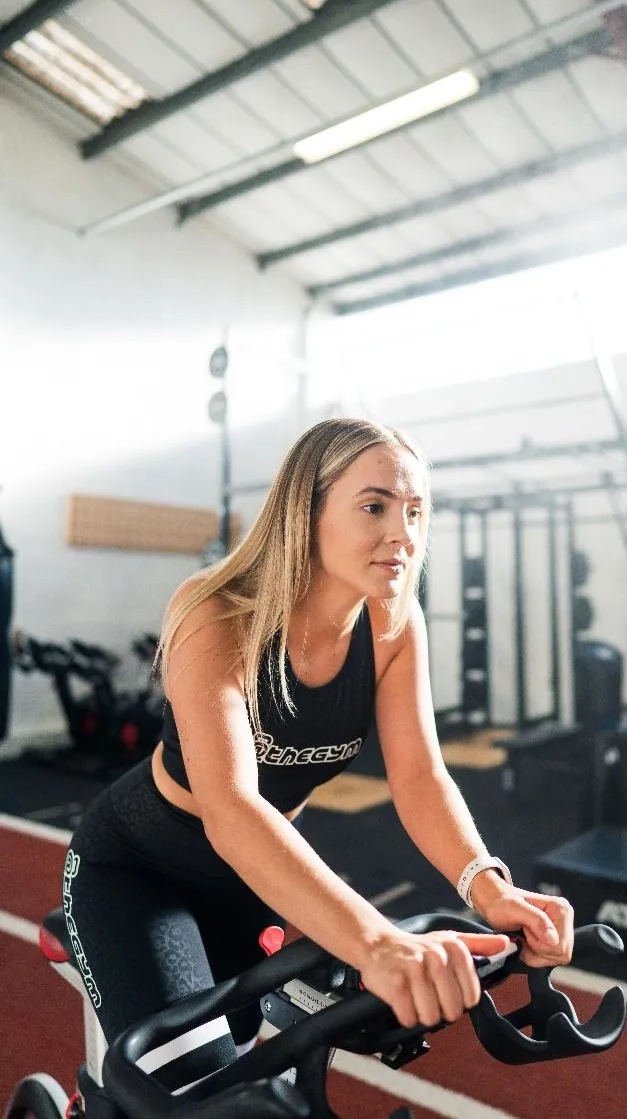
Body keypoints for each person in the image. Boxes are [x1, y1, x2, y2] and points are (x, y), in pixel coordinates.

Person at [63, 417, 574, 1091]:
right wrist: (376, 943)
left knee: (241, 1079)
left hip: (249, 884)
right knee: (193, 1087)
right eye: (375, 507)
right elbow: (233, 808)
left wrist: (489, 886)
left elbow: (419, 775)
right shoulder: (217, 613)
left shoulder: (393, 625)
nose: (404, 533)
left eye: (415, 511)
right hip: (138, 875)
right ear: (306, 512)